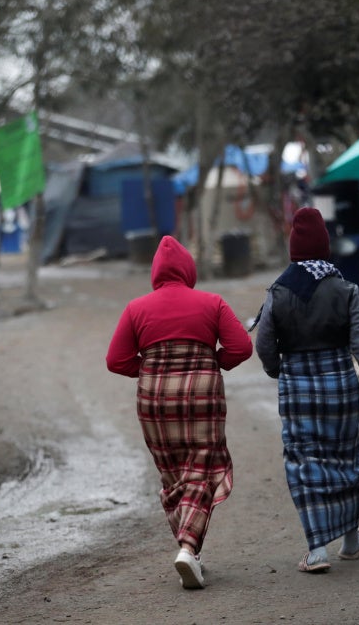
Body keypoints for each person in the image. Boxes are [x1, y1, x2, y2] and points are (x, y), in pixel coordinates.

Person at [105, 235, 253, 590]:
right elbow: (242, 347)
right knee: (203, 469)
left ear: (155, 273)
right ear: (190, 270)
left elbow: (116, 360)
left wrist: (151, 368)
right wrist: (212, 361)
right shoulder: (212, 302)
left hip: (154, 399)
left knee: (174, 475)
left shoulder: (136, 308)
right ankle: (188, 547)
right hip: (202, 394)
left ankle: (191, 552)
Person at [254, 206, 359, 574]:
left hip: (298, 389)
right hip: (339, 386)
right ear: (325, 246)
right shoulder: (344, 288)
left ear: (294, 248)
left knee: (305, 462)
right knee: (343, 457)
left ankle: (317, 551)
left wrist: (278, 370)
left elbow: (264, 342)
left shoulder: (279, 291)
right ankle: (350, 539)